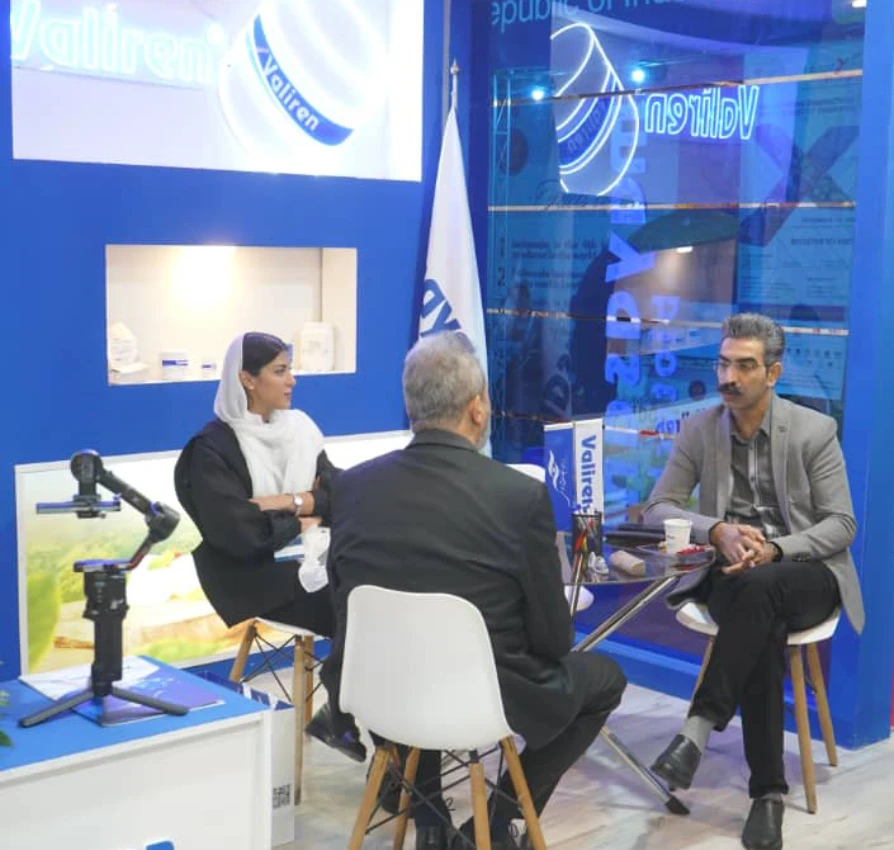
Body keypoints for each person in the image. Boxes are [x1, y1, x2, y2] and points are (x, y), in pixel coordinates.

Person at [321, 332, 627, 850]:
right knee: (606, 679)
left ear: (411, 405)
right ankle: (501, 821)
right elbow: (553, 639)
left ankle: (430, 820)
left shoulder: (352, 487)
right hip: (479, 698)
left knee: (418, 656)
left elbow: (342, 604)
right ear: (477, 408)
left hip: (377, 688)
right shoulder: (519, 496)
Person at [643, 313, 864, 850]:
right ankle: (767, 794)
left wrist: (777, 549)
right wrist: (716, 530)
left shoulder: (813, 431)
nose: (729, 377)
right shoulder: (700, 429)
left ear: (773, 373)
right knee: (758, 615)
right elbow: (657, 508)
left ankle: (698, 728)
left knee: (763, 590)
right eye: (723, 364)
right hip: (734, 575)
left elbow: (842, 524)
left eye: (744, 366)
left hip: (804, 572)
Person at [174, 331, 364, 761]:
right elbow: (240, 534)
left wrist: (288, 503)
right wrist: (305, 516)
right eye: (280, 371)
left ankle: (346, 716)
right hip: (251, 575)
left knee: (374, 589)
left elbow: (341, 493)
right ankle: (346, 717)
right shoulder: (211, 450)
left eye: (290, 369)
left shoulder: (300, 430)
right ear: (247, 379)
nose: (292, 380)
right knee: (355, 604)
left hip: (310, 555)